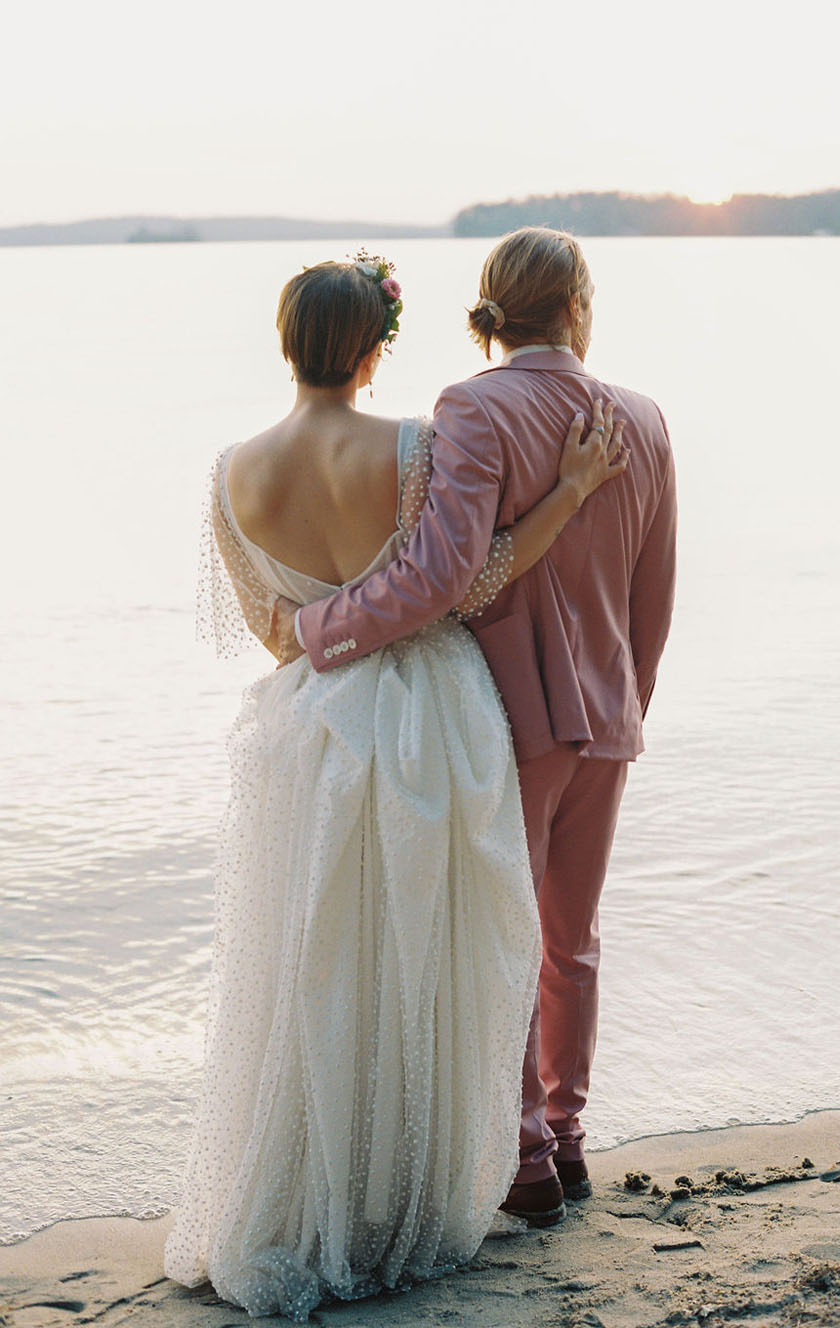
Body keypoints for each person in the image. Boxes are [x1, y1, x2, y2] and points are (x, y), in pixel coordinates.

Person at [163, 254, 628, 1319]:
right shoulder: (415, 445)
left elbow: (273, 634)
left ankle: (303, 1189)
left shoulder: (233, 469)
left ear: (289, 342)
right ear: (375, 348)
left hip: (307, 732)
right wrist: (570, 491)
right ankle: (410, 1188)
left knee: (315, 959)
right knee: (425, 954)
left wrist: (324, 630)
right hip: (426, 718)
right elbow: (471, 582)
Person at [273, 228, 678, 1229]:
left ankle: (527, 1153)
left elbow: (441, 574)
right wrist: (629, 697)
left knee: (501, 936)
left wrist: (314, 627)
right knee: (570, 939)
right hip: (608, 713)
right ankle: (570, 1136)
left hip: (508, 716)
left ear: (495, 306)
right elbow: (653, 593)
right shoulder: (645, 417)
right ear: (578, 302)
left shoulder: (471, 407)